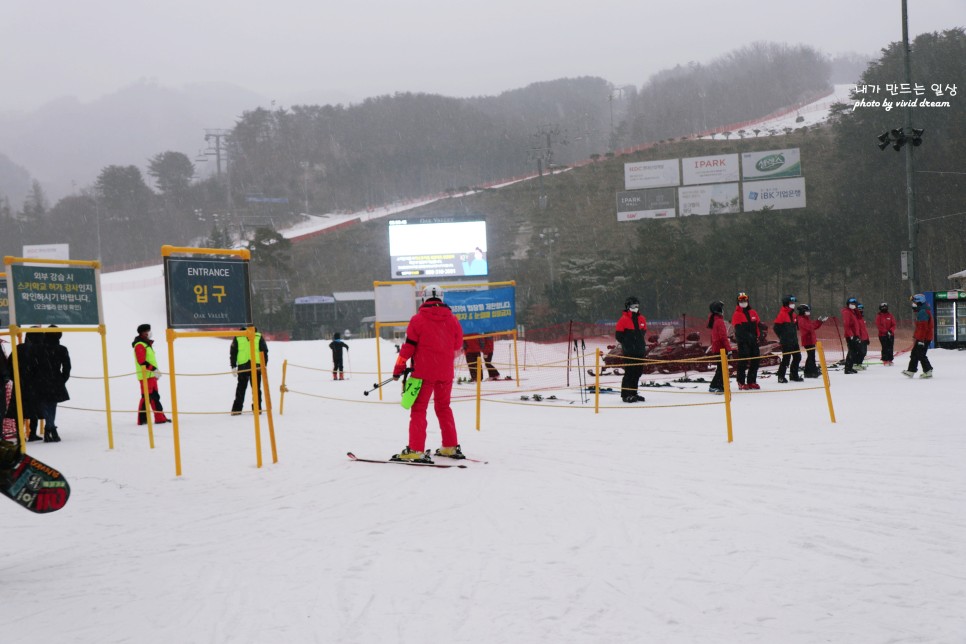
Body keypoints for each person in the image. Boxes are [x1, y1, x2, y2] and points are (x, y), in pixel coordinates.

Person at [391, 284, 465, 462]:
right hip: (445, 373)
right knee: (443, 408)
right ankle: (450, 446)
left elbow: (408, 348)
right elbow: (457, 346)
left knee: (418, 410)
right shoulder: (453, 320)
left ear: (423, 299)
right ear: (442, 298)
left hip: (423, 373)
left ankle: (416, 449)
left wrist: (398, 370)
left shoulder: (417, 320)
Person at [37, 325, 71, 442]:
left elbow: (34, 366)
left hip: (41, 380)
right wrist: (62, 379)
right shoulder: (62, 349)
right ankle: (51, 429)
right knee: (52, 405)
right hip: (56, 380)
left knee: (45, 404)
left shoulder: (39, 348)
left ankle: (49, 428)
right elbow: (67, 367)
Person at [132, 323, 169, 425]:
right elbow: (141, 361)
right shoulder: (140, 344)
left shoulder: (146, 344)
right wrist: (154, 370)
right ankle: (142, 420)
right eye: (147, 331)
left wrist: (155, 372)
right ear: (142, 333)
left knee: (155, 396)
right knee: (146, 397)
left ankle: (160, 418)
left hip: (151, 375)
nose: (149, 332)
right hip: (145, 376)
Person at [615, 296, 647, 403]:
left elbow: (643, 332)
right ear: (628, 307)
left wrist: (639, 344)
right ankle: (626, 394)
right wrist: (628, 343)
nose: (636, 308)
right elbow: (619, 336)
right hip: (629, 351)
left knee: (638, 372)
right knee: (629, 372)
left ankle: (633, 393)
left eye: (637, 306)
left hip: (640, 351)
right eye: (633, 306)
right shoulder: (623, 320)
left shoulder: (642, 318)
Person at [230, 327, 269, 414]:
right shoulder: (238, 337)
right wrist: (233, 365)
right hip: (244, 366)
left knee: (255, 389)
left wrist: (264, 365)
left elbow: (264, 352)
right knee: (241, 388)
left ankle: (257, 408)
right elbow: (233, 352)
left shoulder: (258, 336)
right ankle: (237, 409)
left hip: (256, 367)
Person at [731, 292, 763, 390]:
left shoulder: (753, 312)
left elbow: (758, 325)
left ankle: (751, 381)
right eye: (741, 300)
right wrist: (748, 338)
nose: (743, 302)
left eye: (745, 300)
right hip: (743, 342)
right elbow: (739, 331)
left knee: (755, 361)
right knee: (743, 362)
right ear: (738, 302)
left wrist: (759, 335)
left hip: (754, 341)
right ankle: (741, 382)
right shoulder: (736, 314)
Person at [903, 294, 934, 378]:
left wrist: (921, 340)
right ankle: (911, 370)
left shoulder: (923, 312)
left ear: (919, 302)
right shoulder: (922, 311)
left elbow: (923, 328)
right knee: (914, 353)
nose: (913, 304)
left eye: (914, 302)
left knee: (920, 354)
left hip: (924, 338)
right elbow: (919, 328)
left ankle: (928, 371)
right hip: (922, 337)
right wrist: (916, 336)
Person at [773, 294, 802, 383]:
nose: (793, 304)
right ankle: (781, 376)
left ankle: (794, 375)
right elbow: (776, 328)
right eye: (791, 302)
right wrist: (782, 337)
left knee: (797, 357)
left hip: (794, 340)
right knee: (786, 359)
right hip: (786, 341)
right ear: (786, 303)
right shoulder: (782, 314)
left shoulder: (793, 314)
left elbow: (795, 326)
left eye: (793, 302)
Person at [706, 301, 732, 393]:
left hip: (717, 348)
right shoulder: (719, 321)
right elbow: (723, 337)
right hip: (721, 349)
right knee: (721, 369)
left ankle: (719, 385)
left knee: (721, 368)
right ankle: (715, 385)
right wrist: (729, 349)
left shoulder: (714, 321)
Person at [796, 304, 827, 378]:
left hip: (810, 339)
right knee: (811, 356)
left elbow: (813, 326)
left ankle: (810, 371)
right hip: (807, 340)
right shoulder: (801, 319)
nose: (808, 312)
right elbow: (810, 327)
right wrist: (818, 322)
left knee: (811, 356)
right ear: (803, 311)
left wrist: (819, 322)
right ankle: (810, 371)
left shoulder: (805, 319)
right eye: (807, 311)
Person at [841, 297, 861, 374]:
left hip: (855, 334)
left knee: (855, 351)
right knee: (852, 351)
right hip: (850, 335)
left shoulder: (853, 312)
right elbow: (847, 324)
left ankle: (850, 367)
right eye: (851, 304)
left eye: (854, 304)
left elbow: (859, 317)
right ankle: (848, 368)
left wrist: (856, 310)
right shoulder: (847, 312)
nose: (853, 305)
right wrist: (850, 334)